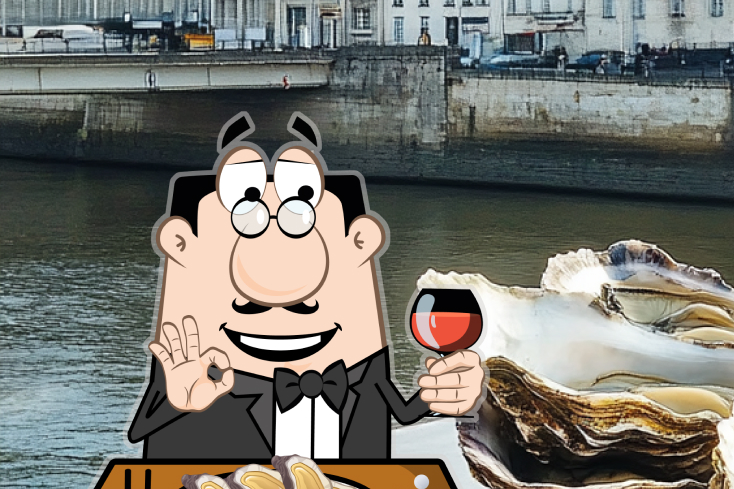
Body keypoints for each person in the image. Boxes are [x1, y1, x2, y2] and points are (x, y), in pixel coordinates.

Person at [128, 113, 484, 459]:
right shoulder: (191, 375)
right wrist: (181, 404)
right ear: (180, 244)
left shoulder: (362, 377)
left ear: (361, 241)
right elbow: (148, 441)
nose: (277, 291)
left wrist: (459, 396)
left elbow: (407, 413)